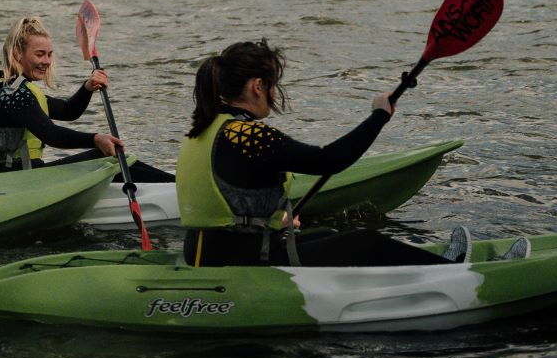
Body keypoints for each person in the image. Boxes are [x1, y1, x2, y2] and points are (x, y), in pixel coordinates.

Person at [177, 40, 527, 267]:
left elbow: (233, 192)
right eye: (272, 85)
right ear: (257, 86)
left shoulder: (205, 129)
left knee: (328, 236)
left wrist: (272, 220)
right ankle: (452, 273)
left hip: (205, 252)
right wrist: (378, 117)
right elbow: (328, 160)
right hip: (240, 261)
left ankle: (432, 265)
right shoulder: (246, 134)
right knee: (363, 242)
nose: (274, 93)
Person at [0, 16, 172, 181]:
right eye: (40, 54)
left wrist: (87, 87)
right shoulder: (15, 94)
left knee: (109, 157)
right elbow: (51, 134)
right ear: (18, 53)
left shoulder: (12, 89)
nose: (46, 61)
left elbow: (67, 111)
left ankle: (172, 183)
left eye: (50, 55)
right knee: (105, 157)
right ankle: (175, 186)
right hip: (18, 181)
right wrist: (95, 139)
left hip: (18, 176)